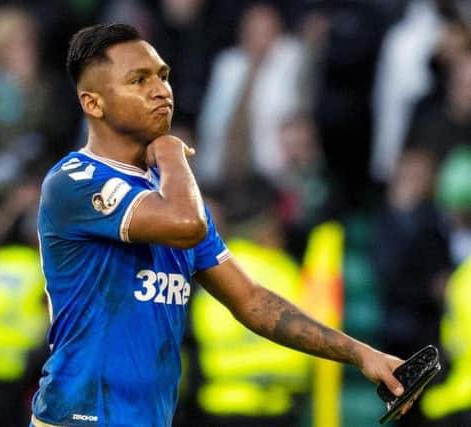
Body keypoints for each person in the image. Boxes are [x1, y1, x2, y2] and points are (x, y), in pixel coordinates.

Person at [30, 23, 413, 427]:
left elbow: (252, 302)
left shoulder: (170, 196)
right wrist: (171, 151)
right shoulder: (75, 181)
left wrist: (361, 354)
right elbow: (185, 223)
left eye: (163, 76)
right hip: (77, 418)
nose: (161, 90)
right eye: (138, 80)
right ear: (93, 103)